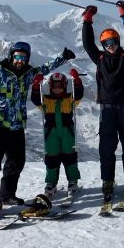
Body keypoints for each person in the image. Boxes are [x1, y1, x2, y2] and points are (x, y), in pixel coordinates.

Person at [0, 42, 74, 213]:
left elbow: (45, 68)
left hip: (17, 125)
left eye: (24, 58)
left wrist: (63, 58)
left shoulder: (28, 74)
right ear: (11, 56)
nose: (20, 60)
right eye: (17, 57)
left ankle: (7, 194)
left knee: (16, 162)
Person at [82, 1, 124, 207]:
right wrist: (87, 21)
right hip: (106, 107)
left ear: (118, 41)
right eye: (106, 43)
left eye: (113, 42)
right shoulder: (99, 59)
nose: (111, 46)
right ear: (103, 45)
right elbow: (87, 44)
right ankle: (108, 180)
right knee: (106, 147)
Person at [30, 69, 84, 207]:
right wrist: (36, 85)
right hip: (51, 133)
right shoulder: (46, 100)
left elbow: (79, 95)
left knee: (69, 156)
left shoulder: (69, 99)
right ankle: (51, 183)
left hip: (67, 132)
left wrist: (77, 82)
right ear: (50, 86)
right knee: (51, 157)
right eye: (55, 86)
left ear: (65, 86)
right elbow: (35, 99)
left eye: (60, 85)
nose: (57, 88)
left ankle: (73, 181)